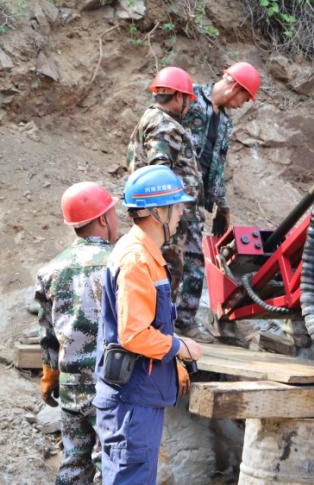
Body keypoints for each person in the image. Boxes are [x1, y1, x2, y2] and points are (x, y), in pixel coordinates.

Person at [94, 165, 203, 485]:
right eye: (176, 206)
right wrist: (179, 347)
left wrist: (171, 361)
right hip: (132, 399)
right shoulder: (137, 260)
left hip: (139, 394)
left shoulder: (145, 253)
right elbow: (134, 334)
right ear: (157, 212)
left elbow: (149, 323)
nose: (181, 212)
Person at [35, 182, 119, 485]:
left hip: (71, 385)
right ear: (102, 219)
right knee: (110, 465)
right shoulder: (120, 262)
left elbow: (48, 331)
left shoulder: (51, 270)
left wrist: (50, 373)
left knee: (73, 464)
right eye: (113, 213)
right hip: (110, 384)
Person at [126, 66, 209, 341]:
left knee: (169, 269)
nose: (189, 106)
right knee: (167, 270)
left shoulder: (157, 120)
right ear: (179, 97)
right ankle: (158, 331)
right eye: (188, 100)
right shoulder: (164, 125)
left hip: (169, 215)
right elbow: (159, 173)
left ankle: (162, 327)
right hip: (167, 216)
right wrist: (166, 217)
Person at [175, 61, 260, 330]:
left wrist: (222, 207)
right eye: (244, 98)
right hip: (171, 195)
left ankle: (183, 323)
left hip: (196, 201)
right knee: (167, 257)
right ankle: (158, 321)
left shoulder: (225, 122)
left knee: (193, 260)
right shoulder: (188, 98)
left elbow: (218, 167)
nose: (242, 104)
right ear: (236, 87)